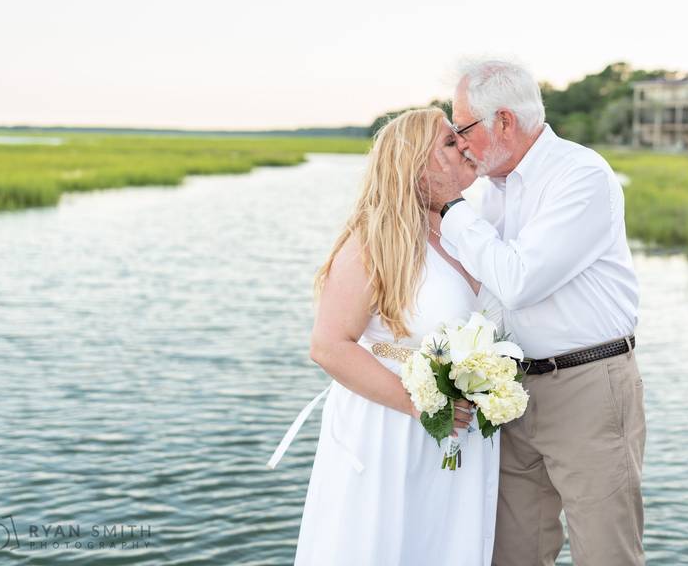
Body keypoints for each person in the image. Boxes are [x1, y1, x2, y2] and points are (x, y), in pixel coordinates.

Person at [426, 60, 646, 566]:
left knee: (605, 553)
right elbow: (481, 293)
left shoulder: (580, 175)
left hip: (588, 388)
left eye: (463, 127)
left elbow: (519, 282)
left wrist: (450, 207)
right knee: (512, 553)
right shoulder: (492, 193)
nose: (459, 143)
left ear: (503, 121)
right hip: (510, 393)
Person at [272, 108, 503, 565]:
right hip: (390, 426)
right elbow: (329, 345)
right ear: (417, 165)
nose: (467, 147)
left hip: (463, 430)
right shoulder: (373, 239)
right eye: (450, 144)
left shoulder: (469, 231)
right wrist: (420, 405)